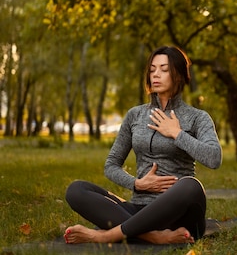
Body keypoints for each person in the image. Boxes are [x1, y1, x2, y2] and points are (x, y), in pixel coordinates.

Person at [64, 46, 222, 244]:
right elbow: (111, 165)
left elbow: (214, 158)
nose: (156, 74)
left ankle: (106, 236)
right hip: (139, 210)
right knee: (76, 190)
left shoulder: (198, 117)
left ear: (180, 75)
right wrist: (136, 184)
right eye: (152, 69)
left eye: (164, 69)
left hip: (180, 217)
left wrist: (177, 133)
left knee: (191, 186)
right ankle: (153, 236)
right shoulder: (135, 115)